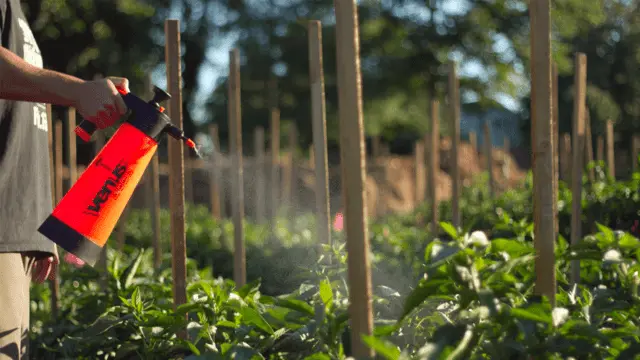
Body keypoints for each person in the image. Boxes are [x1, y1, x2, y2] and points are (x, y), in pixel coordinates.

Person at [0, 0, 129, 358]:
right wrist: (77, 91)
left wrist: (34, 225)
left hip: (12, 233)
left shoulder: (16, 11)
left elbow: (20, 124)